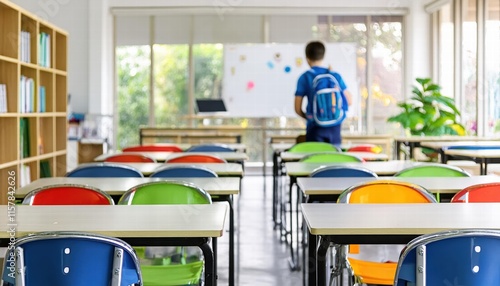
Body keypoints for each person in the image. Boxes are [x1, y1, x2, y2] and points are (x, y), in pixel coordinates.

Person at [294, 41, 352, 145]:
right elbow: (349, 101)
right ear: (323, 56)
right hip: (335, 127)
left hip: (314, 128)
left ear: (307, 57)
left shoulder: (305, 77)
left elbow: (297, 109)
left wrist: (310, 117)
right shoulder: (334, 75)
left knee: (314, 159)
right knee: (334, 159)